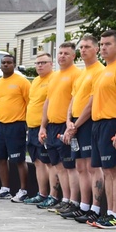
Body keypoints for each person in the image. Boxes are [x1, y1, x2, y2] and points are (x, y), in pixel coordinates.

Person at [74, 29, 116, 229]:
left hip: (113, 123)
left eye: (107, 44)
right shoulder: (104, 71)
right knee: (107, 171)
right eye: (101, 44)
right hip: (98, 125)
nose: (103, 48)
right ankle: (108, 213)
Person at [62, 34, 106, 224]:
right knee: (79, 166)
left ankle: (95, 208)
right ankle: (83, 206)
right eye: (82, 47)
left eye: (87, 47)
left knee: (91, 166)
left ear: (96, 49)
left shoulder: (99, 71)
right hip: (75, 124)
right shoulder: (82, 73)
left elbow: (91, 102)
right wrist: (68, 121)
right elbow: (73, 99)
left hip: (86, 124)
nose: (84, 50)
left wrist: (77, 124)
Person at [39, 42, 82, 212]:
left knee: (70, 166)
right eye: (60, 53)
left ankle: (73, 201)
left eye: (66, 53)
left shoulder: (77, 74)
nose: (62, 56)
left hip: (65, 127)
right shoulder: (54, 76)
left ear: (73, 56)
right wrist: (43, 126)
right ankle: (64, 199)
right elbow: (47, 102)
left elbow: (75, 100)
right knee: (58, 166)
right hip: (52, 127)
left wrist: (69, 124)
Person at [0, 54, 31, 200]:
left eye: (9, 63)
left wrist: (28, 124)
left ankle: (23, 190)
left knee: (18, 159)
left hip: (17, 124)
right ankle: (5, 188)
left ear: (14, 64)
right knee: (0, 158)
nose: (6, 65)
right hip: (0, 125)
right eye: (3, 63)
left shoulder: (22, 82)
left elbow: (29, 103)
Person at [20, 54, 54, 205]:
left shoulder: (53, 79)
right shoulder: (34, 81)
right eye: (37, 63)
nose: (40, 65)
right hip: (32, 128)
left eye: (43, 63)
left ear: (51, 64)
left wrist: (44, 127)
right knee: (38, 162)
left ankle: (53, 196)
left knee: (49, 163)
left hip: (45, 128)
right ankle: (42, 193)